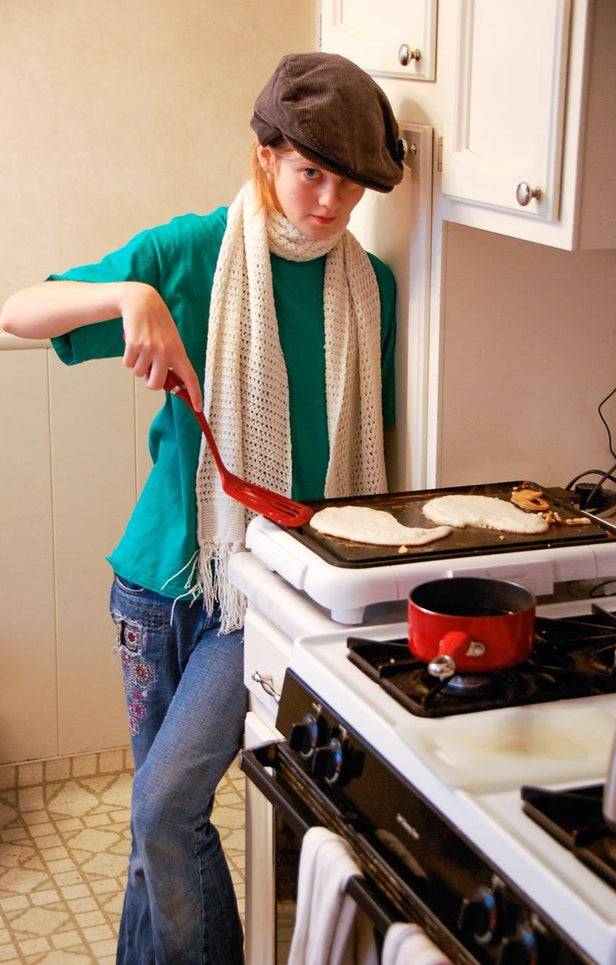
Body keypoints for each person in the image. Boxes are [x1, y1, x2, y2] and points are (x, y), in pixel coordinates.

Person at [1, 51, 404, 965]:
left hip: (265, 591)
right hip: (154, 586)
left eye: (350, 185)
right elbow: (18, 312)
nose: (332, 203)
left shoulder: (367, 290)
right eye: (313, 173)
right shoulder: (188, 255)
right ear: (265, 155)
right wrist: (128, 294)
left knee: (163, 807)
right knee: (160, 825)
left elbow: (368, 472)